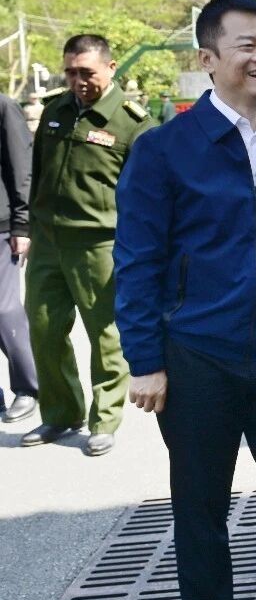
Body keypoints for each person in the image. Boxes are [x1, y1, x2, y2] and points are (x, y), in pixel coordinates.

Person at [114, 0, 256, 600]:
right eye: (248, 45)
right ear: (208, 59)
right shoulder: (164, 149)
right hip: (196, 356)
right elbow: (136, 260)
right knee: (201, 505)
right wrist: (145, 360)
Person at [22, 34, 154, 456]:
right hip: (48, 240)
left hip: (99, 243)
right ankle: (61, 412)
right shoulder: (55, 111)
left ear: (111, 68)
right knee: (44, 328)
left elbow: (147, 196)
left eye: (86, 72)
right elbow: (37, 173)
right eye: (70, 72)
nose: (77, 81)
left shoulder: (133, 124)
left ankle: (104, 419)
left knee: (105, 334)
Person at [0, 92, 37, 424]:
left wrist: (21, 225)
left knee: (4, 310)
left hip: (1, 227)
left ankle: (28, 387)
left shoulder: (4, 106)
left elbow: (22, 168)